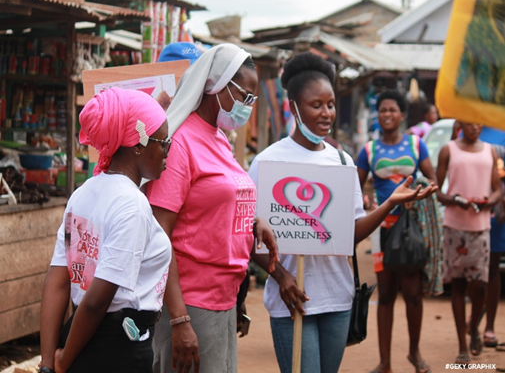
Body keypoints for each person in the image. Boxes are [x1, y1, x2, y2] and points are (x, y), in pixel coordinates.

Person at [247, 53, 437, 373]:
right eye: (316, 105)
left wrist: (388, 204)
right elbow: (247, 236)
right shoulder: (266, 163)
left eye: (331, 104)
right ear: (293, 106)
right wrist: (281, 277)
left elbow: (350, 233)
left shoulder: (342, 161)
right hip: (291, 300)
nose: (327, 114)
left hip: (338, 299)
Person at [146, 43, 279, 373]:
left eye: (252, 99)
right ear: (215, 86)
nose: (247, 106)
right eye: (244, 95)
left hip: (223, 299)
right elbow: (159, 235)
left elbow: (215, 199)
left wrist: (252, 221)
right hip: (191, 303)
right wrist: (179, 318)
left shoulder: (219, 138)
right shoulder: (180, 143)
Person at [39, 87, 173, 373]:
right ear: (138, 145)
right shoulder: (132, 205)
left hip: (78, 339)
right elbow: (97, 301)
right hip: (116, 351)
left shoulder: (83, 193)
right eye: (165, 143)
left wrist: (48, 362)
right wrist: (61, 361)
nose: (167, 154)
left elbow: (58, 282)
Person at [356, 89, 438, 373]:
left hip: (411, 228)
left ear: (402, 115)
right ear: (377, 116)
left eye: (392, 110)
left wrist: (424, 191)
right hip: (382, 229)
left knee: (413, 292)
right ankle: (385, 362)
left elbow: (434, 180)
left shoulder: (417, 146)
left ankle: (415, 353)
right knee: (387, 294)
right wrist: (364, 200)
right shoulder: (368, 150)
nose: (387, 114)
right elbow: (355, 189)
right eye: (382, 110)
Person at [436, 121, 501, 364]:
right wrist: (455, 200)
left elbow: (497, 190)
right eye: (469, 123)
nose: (475, 127)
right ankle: (463, 346)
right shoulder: (448, 150)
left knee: (480, 286)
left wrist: (487, 202)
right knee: (459, 286)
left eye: (478, 123)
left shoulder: (490, 151)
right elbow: (437, 190)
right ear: (460, 123)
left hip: (481, 228)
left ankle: (474, 327)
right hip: (454, 226)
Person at [476, 127, 505, 348]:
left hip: (498, 211)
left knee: (493, 266)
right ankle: (475, 317)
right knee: (473, 271)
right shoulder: (470, 126)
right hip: (471, 208)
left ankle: (489, 327)